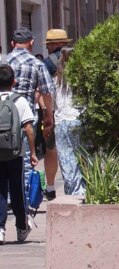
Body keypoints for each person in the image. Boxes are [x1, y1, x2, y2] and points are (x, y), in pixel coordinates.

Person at [7, 28, 54, 202]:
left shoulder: (4, 61)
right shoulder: (37, 64)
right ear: (31, 43)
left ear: (12, 43)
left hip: (2, 118)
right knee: (26, 158)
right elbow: (47, 92)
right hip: (25, 118)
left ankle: (7, 196)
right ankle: (22, 197)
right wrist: (48, 115)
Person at [0, 63, 38, 244]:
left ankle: (0, 229)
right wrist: (32, 152)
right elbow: (29, 128)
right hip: (16, 154)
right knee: (17, 191)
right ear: (13, 82)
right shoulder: (19, 101)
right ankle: (21, 227)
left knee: (0, 191)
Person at [41, 28, 70, 198]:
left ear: (58, 43)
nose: (47, 47)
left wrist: (46, 114)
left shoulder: (48, 62)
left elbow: (44, 90)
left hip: (55, 112)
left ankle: (51, 187)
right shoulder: (77, 58)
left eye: (50, 44)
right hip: (73, 112)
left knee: (51, 149)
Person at [52, 47, 84, 197]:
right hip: (80, 121)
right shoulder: (83, 79)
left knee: (67, 161)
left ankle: (73, 193)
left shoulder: (57, 80)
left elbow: (53, 103)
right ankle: (84, 190)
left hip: (62, 122)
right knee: (83, 158)